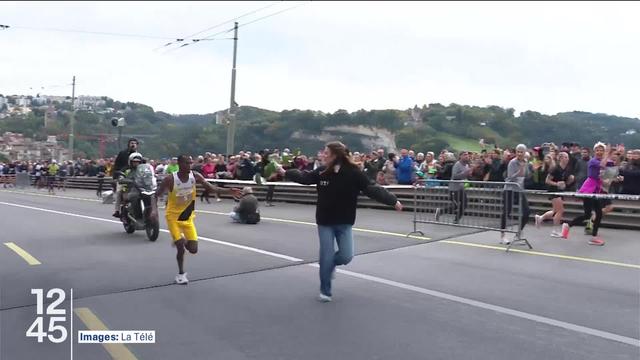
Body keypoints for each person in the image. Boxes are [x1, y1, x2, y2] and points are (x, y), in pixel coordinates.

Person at [281, 141, 403, 302]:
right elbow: (304, 177)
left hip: (345, 221)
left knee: (346, 256)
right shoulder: (321, 171)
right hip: (325, 221)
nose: (322, 155)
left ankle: (330, 265)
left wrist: (392, 200)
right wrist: (286, 172)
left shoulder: (353, 172)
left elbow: (372, 188)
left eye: (326, 153)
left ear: (335, 155)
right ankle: (325, 290)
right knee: (326, 255)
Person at [152, 155, 241, 285]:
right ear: (180, 164)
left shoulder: (195, 176)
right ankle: (181, 274)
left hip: (188, 217)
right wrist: (154, 211)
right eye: (187, 163)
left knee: (193, 249)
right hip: (173, 217)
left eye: (191, 163)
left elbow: (212, 188)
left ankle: (182, 240)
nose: (190, 166)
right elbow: (155, 196)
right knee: (180, 248)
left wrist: (229, 191)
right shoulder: (170, 179)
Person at [561, 142, 611, 246]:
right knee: (597, 213)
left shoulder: (603, 161)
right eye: (598, 150)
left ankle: (568, 226)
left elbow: (608, 170)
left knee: (589, 214)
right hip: (589, 189)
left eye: (602, 150)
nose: (600, 152)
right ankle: (593, 237)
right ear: (594, 151)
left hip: (596, 189)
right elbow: (602, 165)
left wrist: (616, 177)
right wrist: (607, 153)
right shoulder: (593, 161)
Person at [535, 151, 574, 237]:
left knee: (555, 211)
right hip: (553, 191)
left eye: (568, 157)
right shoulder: (555, 168)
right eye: (566, 157)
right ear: (561, 158)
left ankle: (540, 218)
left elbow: (565, 181)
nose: (567, 159)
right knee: (560, 210)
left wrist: (569, 181)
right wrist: (557, 184)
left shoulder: (567, 169)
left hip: (560, 191)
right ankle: (555, 230)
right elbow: (547, 180)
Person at [499, 144, 532, 245]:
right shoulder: (512, 162)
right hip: (510, 189)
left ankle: (519, 233)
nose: (520, 154)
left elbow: (526, 175)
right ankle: (503, 236)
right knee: (506, 212)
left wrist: (530, 169)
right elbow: (510, 177)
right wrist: (520, 170)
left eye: (522, 152)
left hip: (519, 189)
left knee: (526, 212)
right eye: (518, 151)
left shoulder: (526, 162)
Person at [435, 151, 471, 224]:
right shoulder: (457, 164)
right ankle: (441, 211)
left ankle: (456, 219)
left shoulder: (466, 165)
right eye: (465, 155)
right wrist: (465, 173)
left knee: (464, 204)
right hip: (454, 188)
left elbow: (465, 176)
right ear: (460, 156)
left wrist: (468, 175)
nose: (467, 156)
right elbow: (454, 176)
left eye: (467, 155)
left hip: (461, 187)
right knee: (456, 205)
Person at [113, 138, 139, 218]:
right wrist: (116, 176)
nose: (133, 144)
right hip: (123, 175)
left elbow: (143, 166)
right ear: (128, 144)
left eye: (135, 143)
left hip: (136, 176)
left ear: (137, 145)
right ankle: (117, 210)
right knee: (119, 191)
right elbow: (116, 165)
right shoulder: (122, 153)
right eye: (131, 143)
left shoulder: (139, 155)